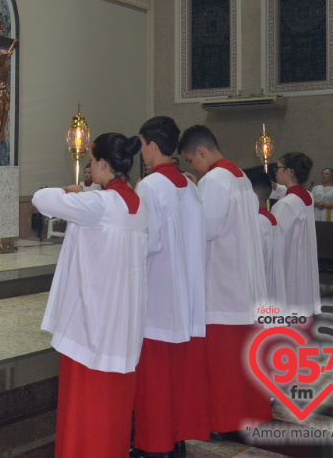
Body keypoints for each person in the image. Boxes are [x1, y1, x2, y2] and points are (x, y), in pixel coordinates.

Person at [32, 133, 148, 458]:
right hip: (122, 323)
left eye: (91, 162)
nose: (88, 168)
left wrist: (77, 190)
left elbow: (42, 199)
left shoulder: (99, 204)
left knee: (85, 407)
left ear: (102, 164)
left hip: (91, 320)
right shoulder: (138, 205)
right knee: (112, 410)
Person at [177, 125, 271, 434]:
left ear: (202, 152)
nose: (193, 166)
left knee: (223, 367)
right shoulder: (239, 177)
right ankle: (248, 416)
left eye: (192, 160)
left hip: (222, 285)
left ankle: (224, 422)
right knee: (241, 364)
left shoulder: (215, 180)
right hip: (240, 282)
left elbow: (206, 229)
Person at [132, 117, 208, 458]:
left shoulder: (150, 186)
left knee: (154, 376)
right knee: (177, 376)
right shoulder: (188, 186)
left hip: (158, 293)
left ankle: (152, 444)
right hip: (185, 291)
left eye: (143, 145)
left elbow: (145, 243)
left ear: (151, 144)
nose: (143, 153)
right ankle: (176, 439)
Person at [271, 153, 321, 321]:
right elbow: (289, 192)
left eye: (278, 168)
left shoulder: (285, 204)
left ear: (289, 171)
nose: (275, 172)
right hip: (303, 263)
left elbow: (272, 239)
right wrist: (274, 187)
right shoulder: (308, 196)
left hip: (289, 262)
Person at [245, 166, 287, 312]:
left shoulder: (256, 222)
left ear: (252, 193)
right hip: (273, 287)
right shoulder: (271, 219)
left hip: (259, 290)